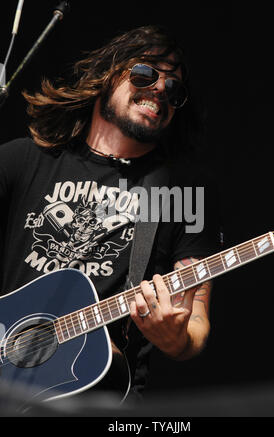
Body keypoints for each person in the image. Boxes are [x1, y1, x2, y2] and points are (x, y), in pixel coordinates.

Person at [0, 25, 220, 405]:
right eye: (145, 73)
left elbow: (196, 320)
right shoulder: (24, 159)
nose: (159, 91)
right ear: (108, 73)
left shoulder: (182, 194)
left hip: (93, 396)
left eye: (174, 89)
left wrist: (178, 339)